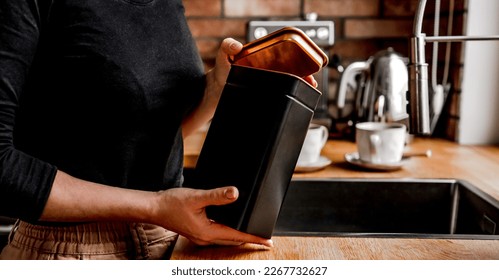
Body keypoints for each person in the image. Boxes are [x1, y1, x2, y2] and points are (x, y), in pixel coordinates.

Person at [0, 0, 316, 260]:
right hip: (70, 251)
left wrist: (218, 87)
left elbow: (143, 134)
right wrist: (156, 206)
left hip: (170, 242)